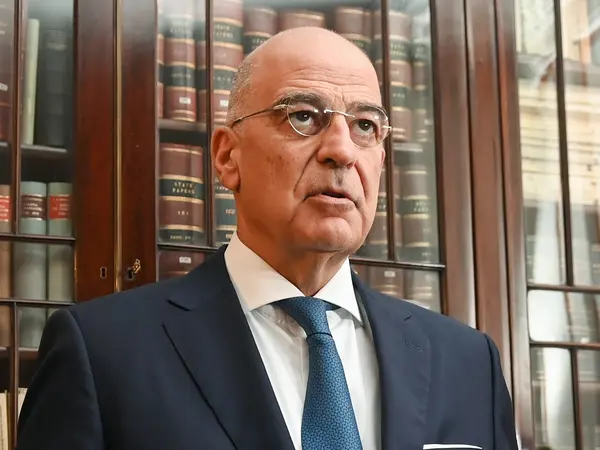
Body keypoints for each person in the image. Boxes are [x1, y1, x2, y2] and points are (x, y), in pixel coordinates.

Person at [16, 26, 519, 450]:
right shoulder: (103, 352)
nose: (342, 151)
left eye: (365, 125)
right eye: (303, 116)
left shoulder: (468, 361)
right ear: (227, 157)